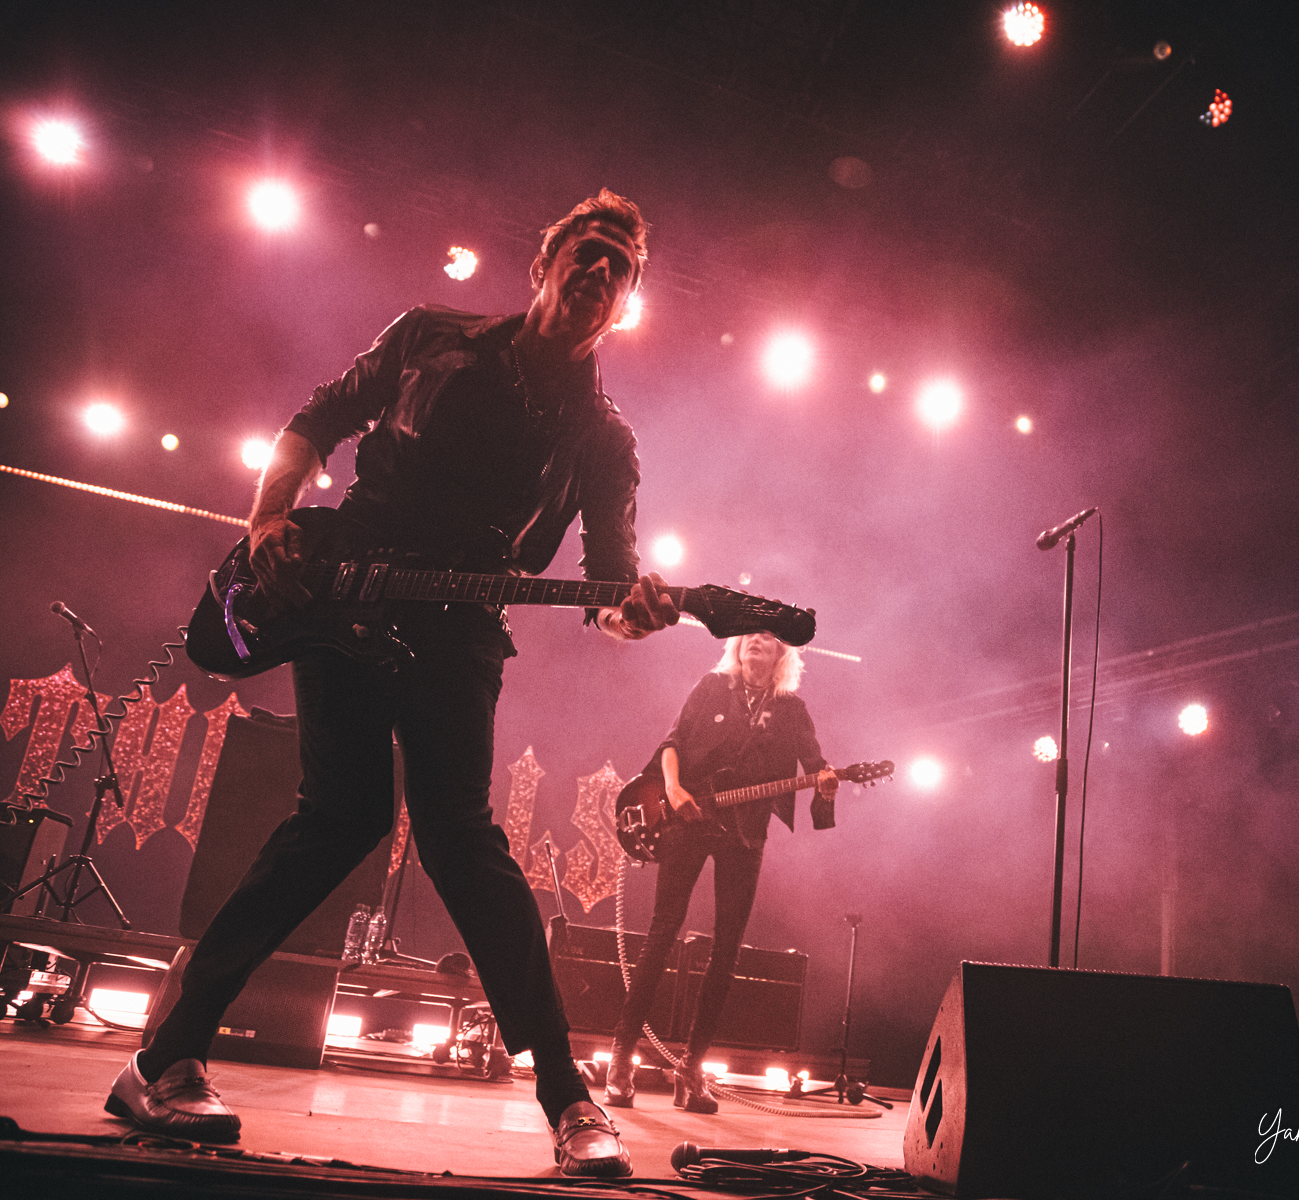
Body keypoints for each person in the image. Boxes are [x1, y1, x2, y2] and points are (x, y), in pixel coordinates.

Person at [106, 189, 678, 1178]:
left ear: (626, 302)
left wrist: (635, 610)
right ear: (544, 263)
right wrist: (267, 519)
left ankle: (569, 1101)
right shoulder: (432, 336)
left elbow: (609, 584)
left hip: (461, 627)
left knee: (463, 838)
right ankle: (165, 1058)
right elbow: (317, 417)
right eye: (588, 252)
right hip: (348, 592)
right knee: (345, 815)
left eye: (621, 268)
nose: (601, 272)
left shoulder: (602, 435)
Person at [604, 631, 836, 1113]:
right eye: (750, 634)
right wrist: (672, 789)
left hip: (745, 832)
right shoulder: (711, 686)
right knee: (663, 932)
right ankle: (621, 1057)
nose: (757, 639)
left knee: (726, 949)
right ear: (739, 647)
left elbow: (817, 765)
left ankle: (692, 1068)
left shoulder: (792, 709)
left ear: (781, 654)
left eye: (768, 636)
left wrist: (829, 786)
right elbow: (671, 742)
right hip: (687, 819)